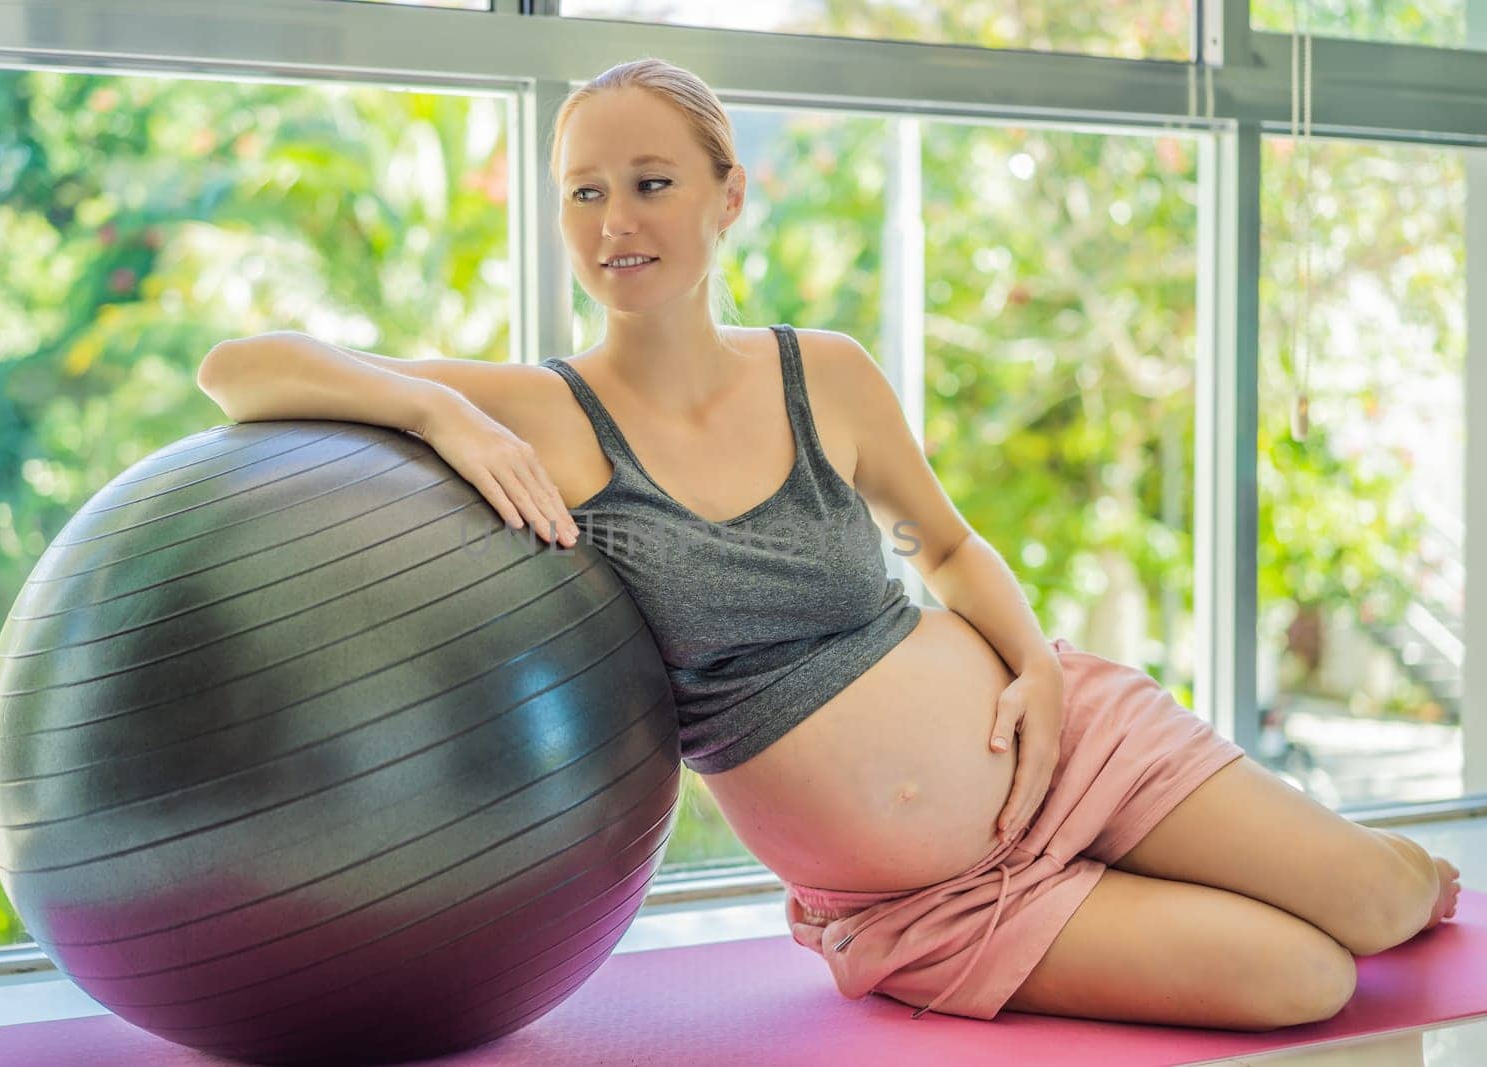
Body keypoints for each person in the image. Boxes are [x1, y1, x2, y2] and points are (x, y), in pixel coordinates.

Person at [195, 56, 1459, 1031]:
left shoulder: (826, 373)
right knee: (1301, 979)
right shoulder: (544, 410)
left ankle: (1365, 858)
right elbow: (236, 369)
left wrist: (1028, 670)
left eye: (652, 182)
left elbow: (951, 548)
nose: (613, 219)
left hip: (1070, 741)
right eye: (583, 189)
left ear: (727, 194)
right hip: (925, 904)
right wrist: (429, 407)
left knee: (1385, 905)